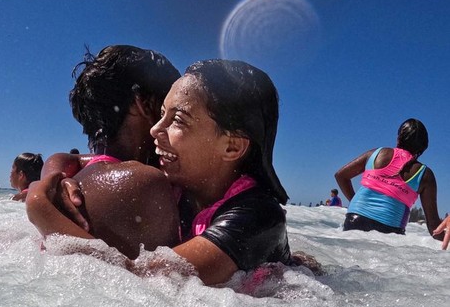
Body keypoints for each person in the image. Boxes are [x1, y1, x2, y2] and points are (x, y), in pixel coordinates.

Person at [29, 59, 301, 285]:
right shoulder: (185, 177)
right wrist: (53, 176)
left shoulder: (258, 218)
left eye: (177, 120)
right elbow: (75, 158)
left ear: (231, 147)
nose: (155, 129)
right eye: (161, 114)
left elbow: (143, 282)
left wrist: (42, 210)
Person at [27, 44, 181, 259]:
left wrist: (49, 178)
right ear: (144, 103)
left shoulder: (79, 176)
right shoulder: (142, 182)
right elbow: (167, 284)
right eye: (171, 106)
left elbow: (67, 157)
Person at [335, 118, 443, 243]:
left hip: (354, 220)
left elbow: (341, 175)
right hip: (390, 230)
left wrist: (355, 202)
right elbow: (434, 227)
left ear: (398, 138)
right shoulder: (425, 175)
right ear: (423, 147)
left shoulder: (376, 154)